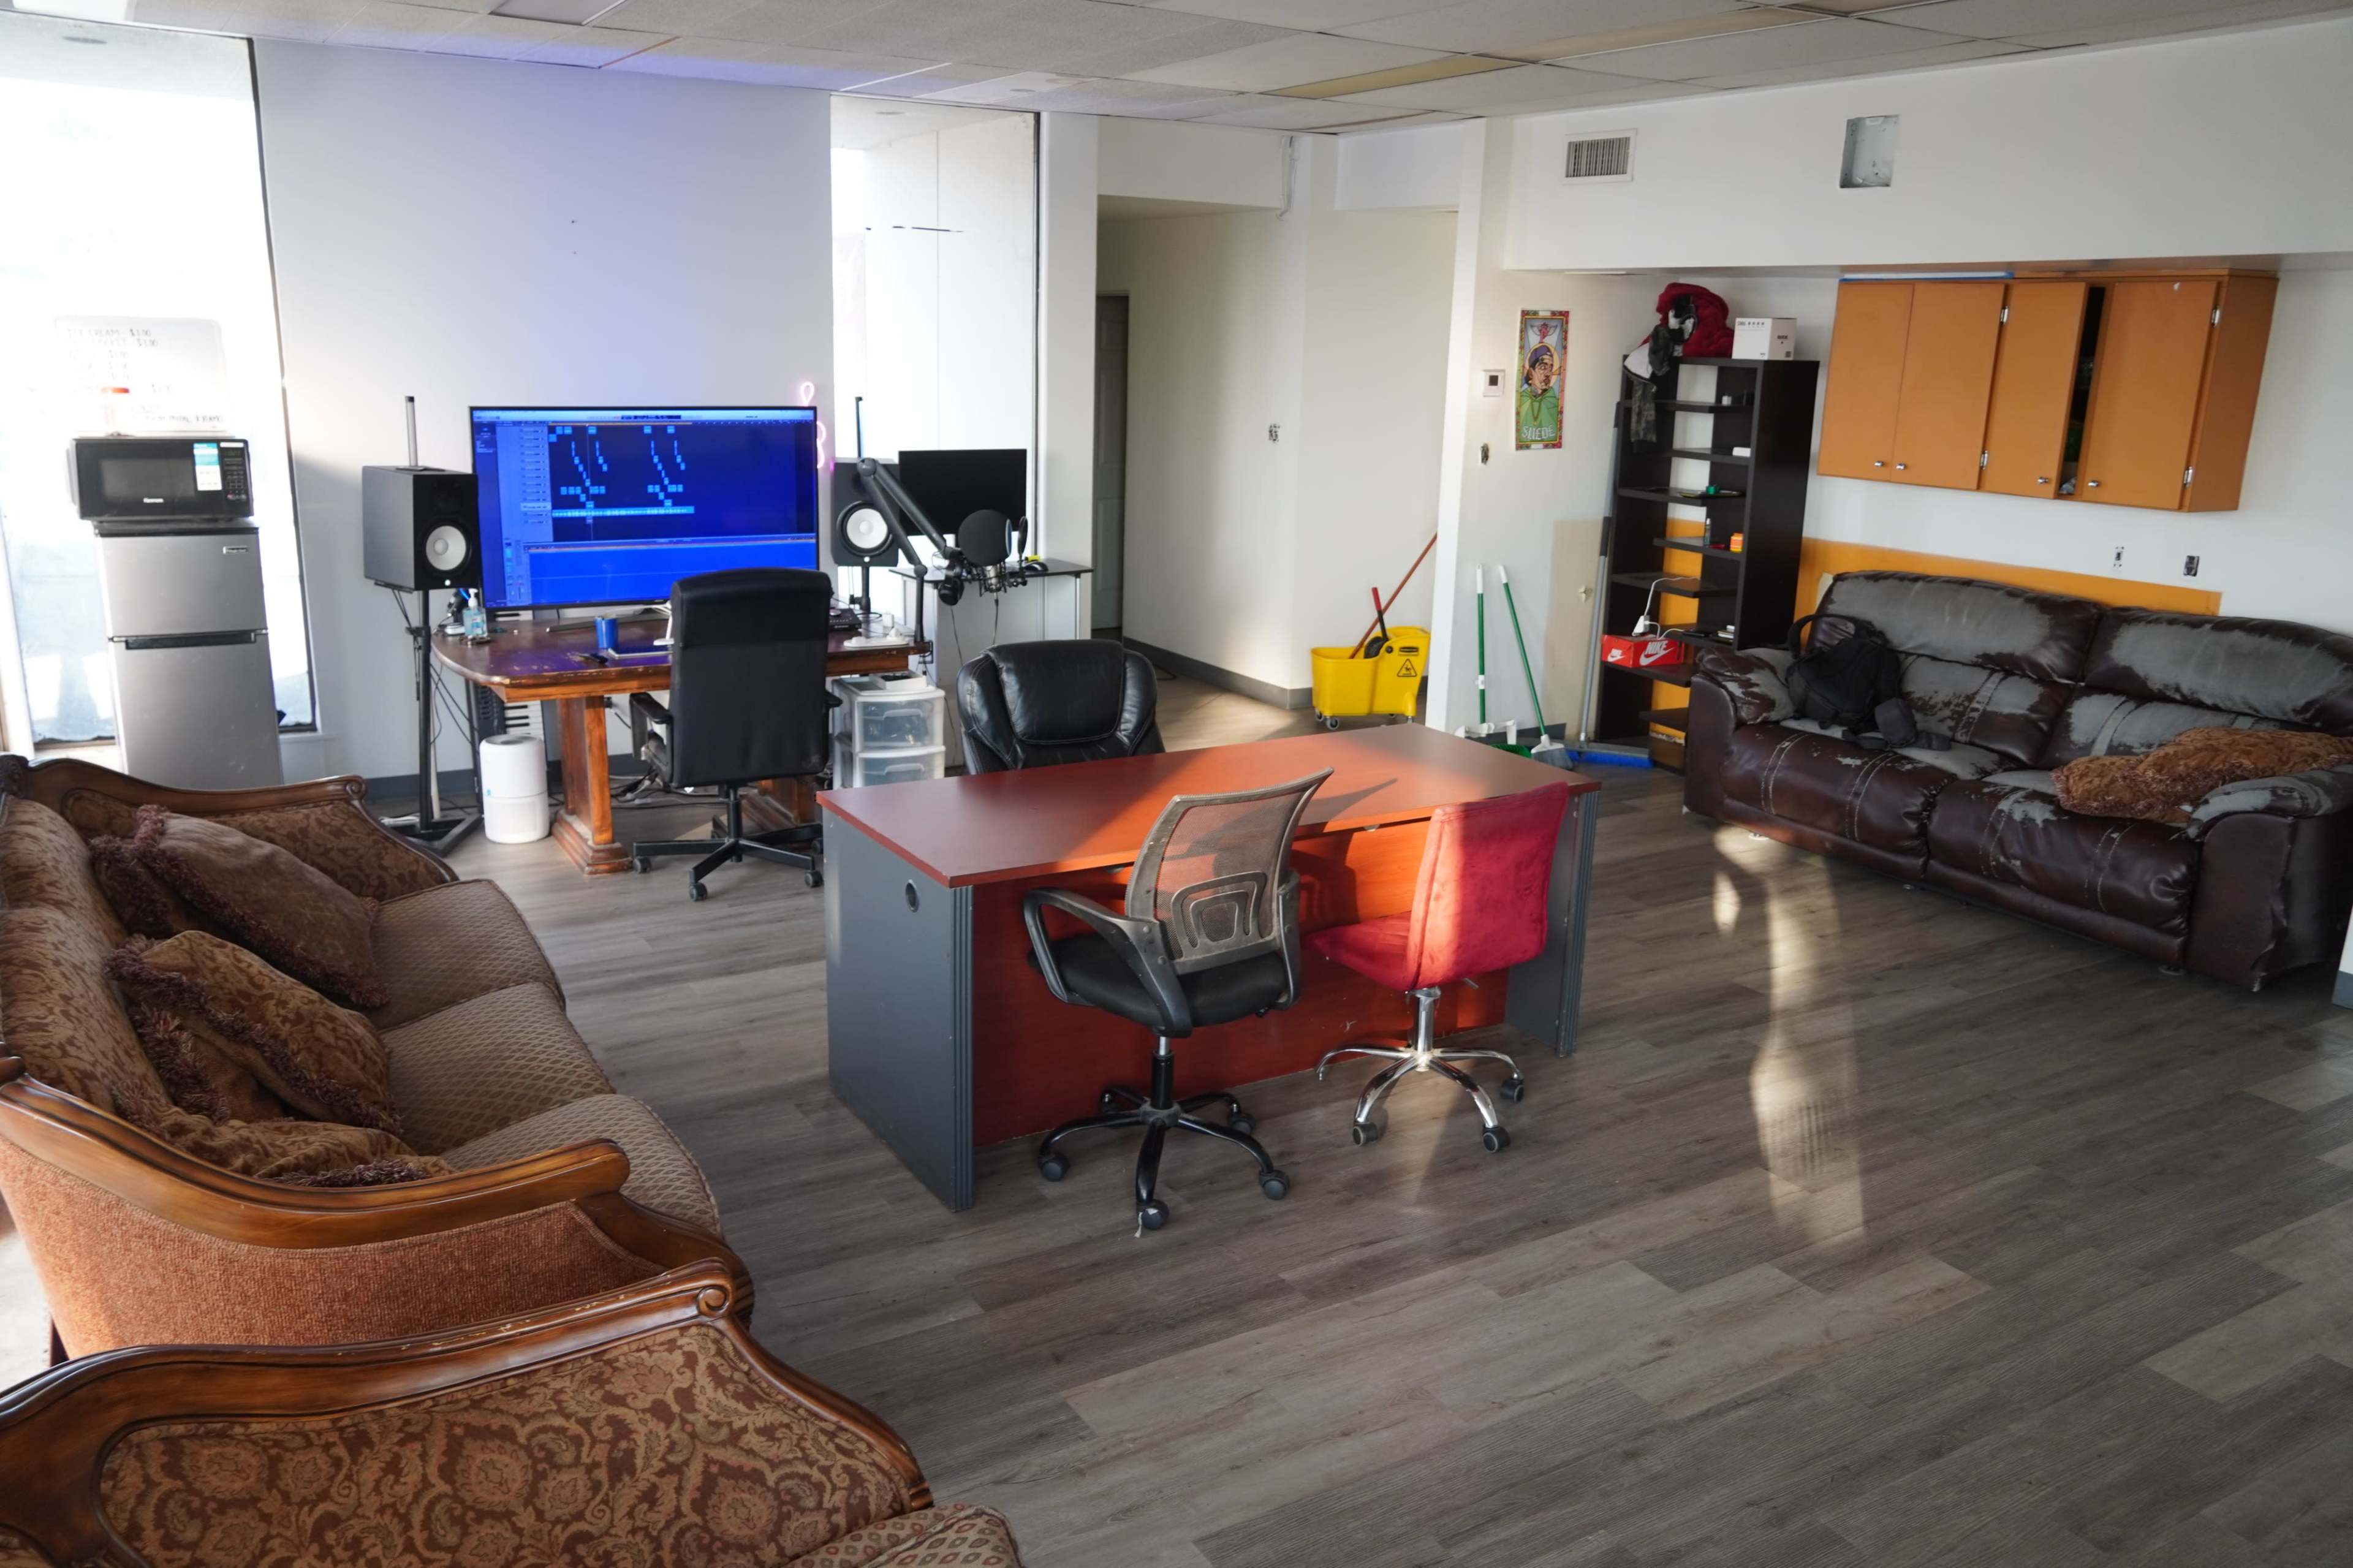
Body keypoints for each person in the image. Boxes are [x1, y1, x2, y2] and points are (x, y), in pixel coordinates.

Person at [1517, 340, 1560, 447]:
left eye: (1551, 368)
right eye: (1543, 368)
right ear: (1531, 373)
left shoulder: (1554, 401)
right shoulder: (1522, 399)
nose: (1548, 374)